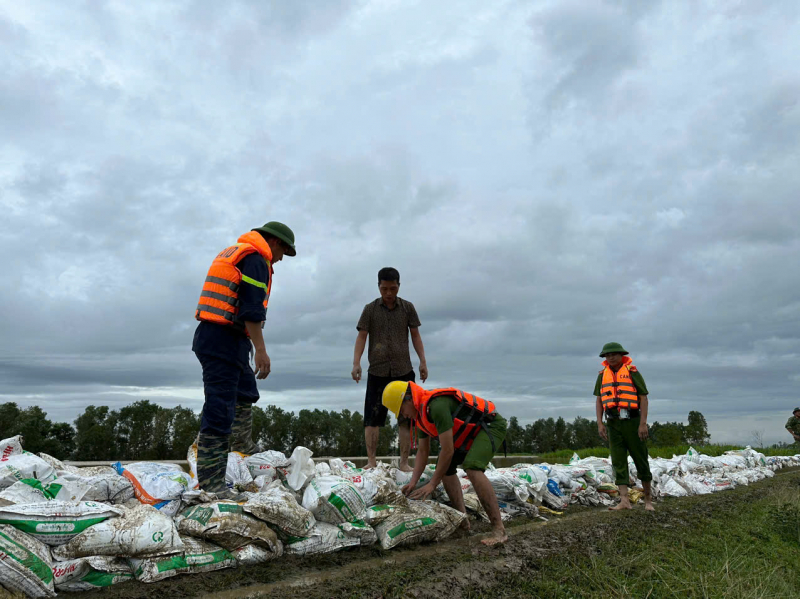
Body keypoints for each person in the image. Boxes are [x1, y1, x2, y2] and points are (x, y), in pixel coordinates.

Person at [192, 221, 296, 498]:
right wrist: (260, 350)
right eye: (284, 252)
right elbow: (251, 309)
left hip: (228, 339)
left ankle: (241, 446)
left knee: (245, 391)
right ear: (275, 242)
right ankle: (212, 483)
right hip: (221, 340)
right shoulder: (255, 259)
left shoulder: (239, 254)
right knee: (219, 408)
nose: (281, 259)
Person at [382, 380, 508, 546]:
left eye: (401, 410)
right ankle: (462, 521)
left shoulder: (437, 406)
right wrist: (413, 482)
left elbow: (447, 450)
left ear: (408, 399)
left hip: (490, 426)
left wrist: (432, 484)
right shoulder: (421, 416)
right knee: (446, 468)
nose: (403, 416)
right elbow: (422, 452)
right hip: (469, 433)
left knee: (472, 467)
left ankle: (499, 529)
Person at [352, 267, 428, 471]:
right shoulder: (370, 309)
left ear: (399, 286)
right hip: (377, 371)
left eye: (393, 289)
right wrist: (356, 363)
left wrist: (423, 361)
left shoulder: (408, 308)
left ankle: (404, 463)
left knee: (406, 418)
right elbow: (362, 336)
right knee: (372, 418)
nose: (388, 293)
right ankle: (371, 461)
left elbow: (416, 335)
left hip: (403, 371)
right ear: (378, 286)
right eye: (384, 289)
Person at [594, 342, 655, 512]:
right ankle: (624, 501)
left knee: (640, 458)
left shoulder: (632, 372)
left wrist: (643, 423)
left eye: (614, 354)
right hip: (613, 423)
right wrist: (600, 423)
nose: (611, 357)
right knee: (618, 460)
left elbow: (643, 397)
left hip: (632, 421)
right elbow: (599, 400)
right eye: (607, 355)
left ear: (622, 355)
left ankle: (648, 500)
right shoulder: (602, 375)